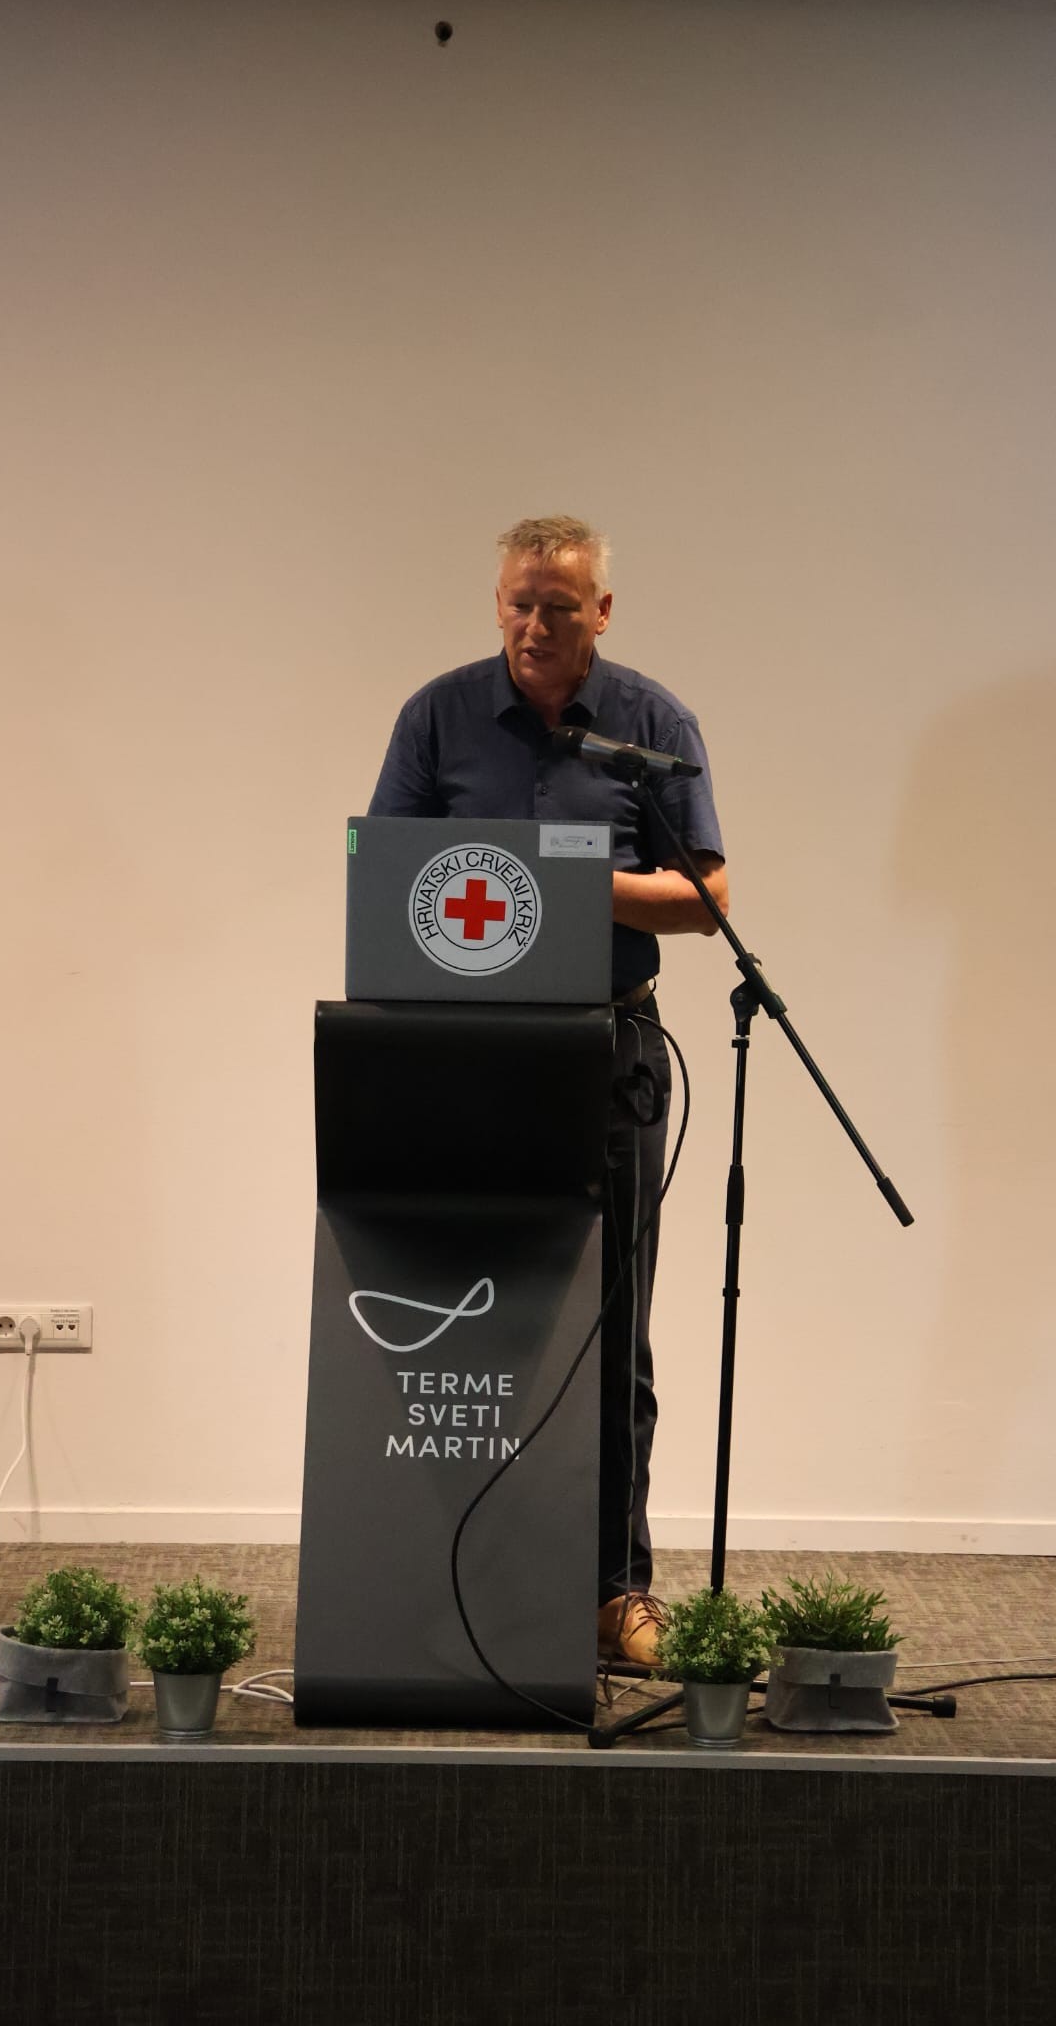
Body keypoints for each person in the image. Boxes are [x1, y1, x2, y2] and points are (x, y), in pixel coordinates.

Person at [369, 515, 727, 1667]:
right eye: (519, 602)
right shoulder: (438, 716)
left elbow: (706, 894)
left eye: (559, 607)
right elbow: (386, 872)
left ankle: (617, 1589)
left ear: (601, 612)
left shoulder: (651, 725)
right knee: (471, 1320)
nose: (534, 624)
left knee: (614, 1331)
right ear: (498, 602)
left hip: (609, 1049)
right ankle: (467, 1578)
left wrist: (565, 882)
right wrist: (508, 882)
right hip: (466, 1056)